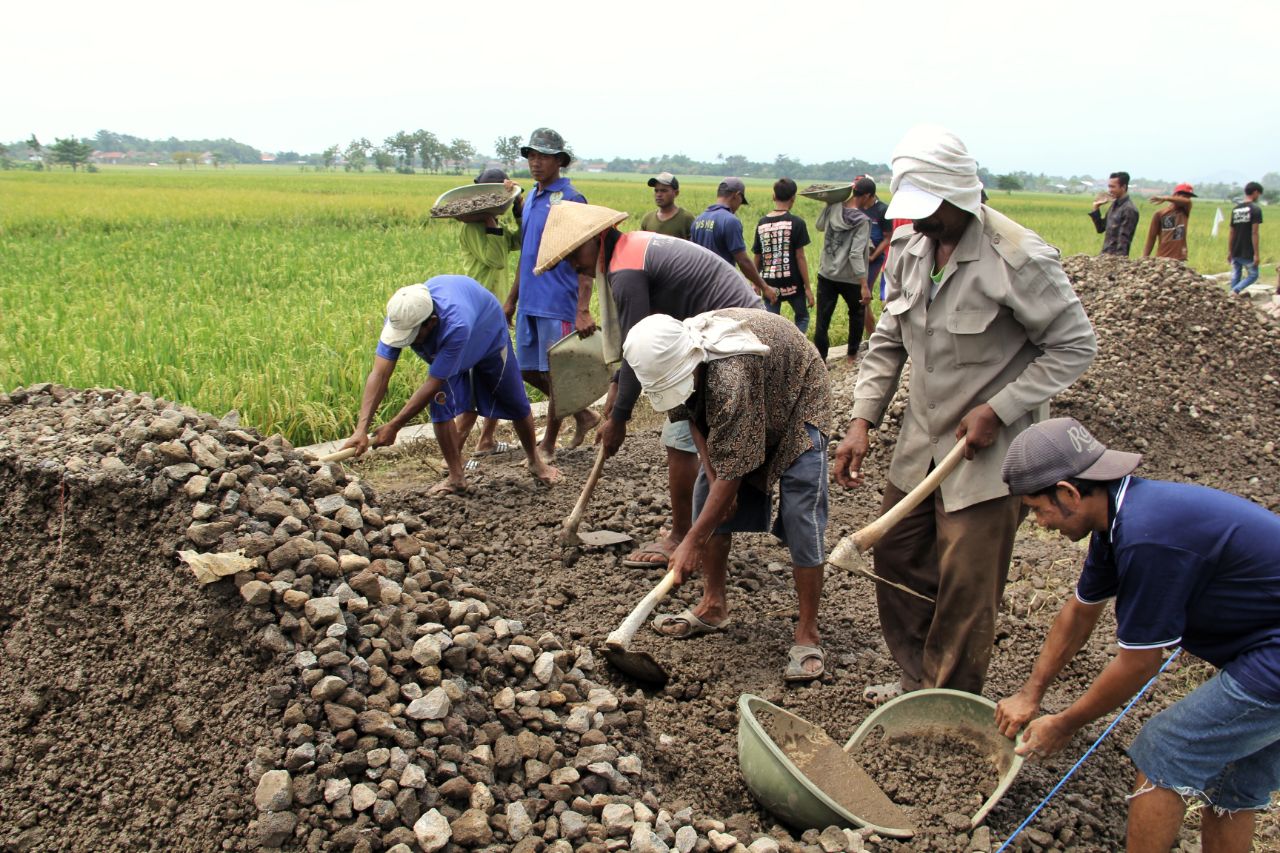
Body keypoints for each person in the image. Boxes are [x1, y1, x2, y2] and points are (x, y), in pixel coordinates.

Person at [833, 125, 1098, 704]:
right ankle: (915, 681)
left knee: (966, 588)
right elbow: (887, 338)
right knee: (899, 558)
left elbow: (1075, 345)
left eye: (933, 212)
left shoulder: (1018, 259)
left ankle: (947, 704)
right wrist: (862, 419)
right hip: (920, 444)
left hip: (988, 457)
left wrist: (999, 409)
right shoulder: (908, 248)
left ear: (961, 197)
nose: (922, 223)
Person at [994, 418, 1280, 853]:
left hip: (1271, 657)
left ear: (1069, 493)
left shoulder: (1149, 538)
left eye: (1037, 508)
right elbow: (1078, 613)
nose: (1038, 523)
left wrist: (1065, 723)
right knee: (1232, 784)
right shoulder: (1120, 519)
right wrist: (1031, 694)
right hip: (1261, 649)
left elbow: (1140, 663)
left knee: (1164, 750)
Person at [533, 202, 764, 569]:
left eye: (573, 254)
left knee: (680, 436)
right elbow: (634, 341)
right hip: (724, 329)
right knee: (689, 432)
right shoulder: (631, 248)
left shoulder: (625, 271)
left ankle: (682, 535)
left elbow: (640, 345)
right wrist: (615, 387)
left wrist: (620, 418)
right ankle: (701, 525)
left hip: (730, 337)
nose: (572, 265)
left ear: (594, 240)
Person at [623, 309, 832, 682]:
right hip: (750, 403)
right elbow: (694, 416)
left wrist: (690, 541)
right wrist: (713, 468)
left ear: (693, 364)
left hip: (798, 393)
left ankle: (808, 633)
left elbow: (736, 469)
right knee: (709, 494)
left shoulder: (731, 375)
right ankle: (713, 606)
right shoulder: (670, 364)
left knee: (802, 512)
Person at [342, 277, 560, 494]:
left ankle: (535, 461)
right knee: (440, 404)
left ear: (432, 322)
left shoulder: (456, 325)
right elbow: (380, 374)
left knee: (514, 399)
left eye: (412, 337)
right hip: (449, 342)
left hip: (487, 332)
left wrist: (395, 425)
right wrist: (361, 429)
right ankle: (456, 477)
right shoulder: (401, 317)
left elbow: (433, 383)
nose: (407, 342)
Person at [502, 128, 599, 461]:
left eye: (542, 156)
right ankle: (583, 414)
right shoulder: (530, 198)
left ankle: (548, 444)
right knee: (527, 370)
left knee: (559, 373)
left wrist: (583, 308)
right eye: (531, 155)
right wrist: (512, 299)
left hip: (558, 300)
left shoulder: (572, 199)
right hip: (529, 298)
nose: (535, 162)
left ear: (559, 160)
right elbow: (527, 254)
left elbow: (588, 261)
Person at [453, 167, 524, 457]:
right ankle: (454, 454)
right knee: (475, 386)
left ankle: (487, 440)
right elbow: (496, 259)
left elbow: (519, 242)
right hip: (478, 315)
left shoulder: (493, 224)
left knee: (498, 377)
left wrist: (519, 209)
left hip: (493, 311)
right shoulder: (472, 228)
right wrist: (490, 220)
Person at [690, 177, 778, 304]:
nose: (738, 207)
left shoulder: (698, 220)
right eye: (741, 201)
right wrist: (765, 287)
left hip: (699, 288)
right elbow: (742, 260)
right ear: (736, 195)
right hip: (721, 290)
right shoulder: (730, 221)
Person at [812, 183, 870, 364]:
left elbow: (819, 226)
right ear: (867, 196)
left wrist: (828, 204)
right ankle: (852, 356)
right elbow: (855, 253)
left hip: (827, 274)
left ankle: (821, 360)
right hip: (851, 278)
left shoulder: (834, 208)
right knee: (856, 313)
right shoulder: (862, 220)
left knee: (822, 318)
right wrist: (864, 285)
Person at [752, 178, 813, 332]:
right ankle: (798, 346)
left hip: (769, 284)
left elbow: (757, 256)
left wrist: (756, 283)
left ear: (774, 196)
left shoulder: (762, 223)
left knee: (771, 323)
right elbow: (800, 257)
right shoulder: (797, 223)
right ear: (793, 198)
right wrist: (807, 287)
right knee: (802, 317)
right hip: (793, 283)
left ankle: (776, 350)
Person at [856, 177, 892, 343]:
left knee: (864, 297)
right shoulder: (857, 209)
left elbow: (887, 237)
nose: (856, 198)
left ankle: (872, 337)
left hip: (874, 258)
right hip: (858, 258)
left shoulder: (882, 210)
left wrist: (873, 256)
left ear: (868, 195)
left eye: (859, 195)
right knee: (861, 299)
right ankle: (871, 336)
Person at [1089, 171, 1140, 256]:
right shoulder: (1113, 206)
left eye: (1113, 187)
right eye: (1109, 187)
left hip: (1115, 260)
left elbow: (1124, 241)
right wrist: (1096, 207)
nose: (1110, 190)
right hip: (1104, 256)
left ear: (1123, 187)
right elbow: (1100, 228)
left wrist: (1118, 264)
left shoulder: (1129, 209)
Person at [1142, 183, 1195, 260]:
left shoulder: (1185, 211)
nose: (1187, 199)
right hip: (1163, 257)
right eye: (1184, 196)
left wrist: (1166, 198)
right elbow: (1151, 238)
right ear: (1175, 195)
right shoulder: (1159, 214)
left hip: (1180, 258)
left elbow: (1187, 201)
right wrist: (1144, 258)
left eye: (1189, 197)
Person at [1228, 181, 1264, 294]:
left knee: (1236, 275)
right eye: (1259, 194)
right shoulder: (1255, 210)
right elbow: (1254, 233)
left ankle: (1230, 299)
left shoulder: (1236, 209)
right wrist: (1256, 254)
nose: (1258, 197)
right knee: (1253, 275)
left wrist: (1229, 251)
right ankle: (1235, 291)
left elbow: (1231, 232)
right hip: (1247, 250)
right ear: (1255, 192)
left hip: (1235, 249)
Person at [639, 172, 695, 239]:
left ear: (676, 193)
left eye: (664, 191)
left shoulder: (687, 218)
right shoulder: (648, 219)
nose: (659, 195)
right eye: (656, 191)